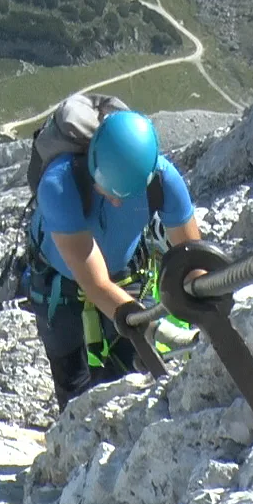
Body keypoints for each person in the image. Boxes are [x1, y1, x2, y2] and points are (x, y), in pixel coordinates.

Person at [27, 105, 205, 409]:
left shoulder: (163, 181)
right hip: (61, 286)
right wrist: (159, 327)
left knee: (135, 377)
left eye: (126, 193)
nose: (117, 202)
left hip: (125, 275)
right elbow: (95, 284)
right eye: (108, 190)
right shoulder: (60, 185)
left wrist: (206, 317)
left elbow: (194, 263)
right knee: (74, 390)